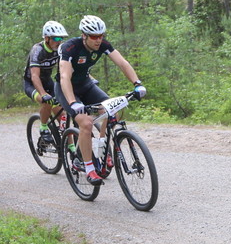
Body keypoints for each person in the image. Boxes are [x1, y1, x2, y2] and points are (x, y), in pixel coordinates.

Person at [56, 15, 146, 186]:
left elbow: (122, 63)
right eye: (94, 37)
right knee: (86, 123)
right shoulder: (69, 48)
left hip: (86, 85)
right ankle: (89, 168)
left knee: (114, 110)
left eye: (101, 36)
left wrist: (137, 84)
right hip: (66, 89)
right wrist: (73, 103)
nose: (99, 40)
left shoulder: (103, 45)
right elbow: (64, 76)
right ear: (84, 35)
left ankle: (101, 146)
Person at [24, 20, 68, 143]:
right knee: (46, 101)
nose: (59, 41)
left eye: (61, 38)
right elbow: (34, 76)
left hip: (48, 82)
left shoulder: (59, 49)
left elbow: (68, 68)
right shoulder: (38, 50)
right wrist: (43, 93)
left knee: (62, 114)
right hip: (32, 84)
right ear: (47, 38)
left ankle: (71, 148)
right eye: (57, 38)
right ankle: (43, 128)